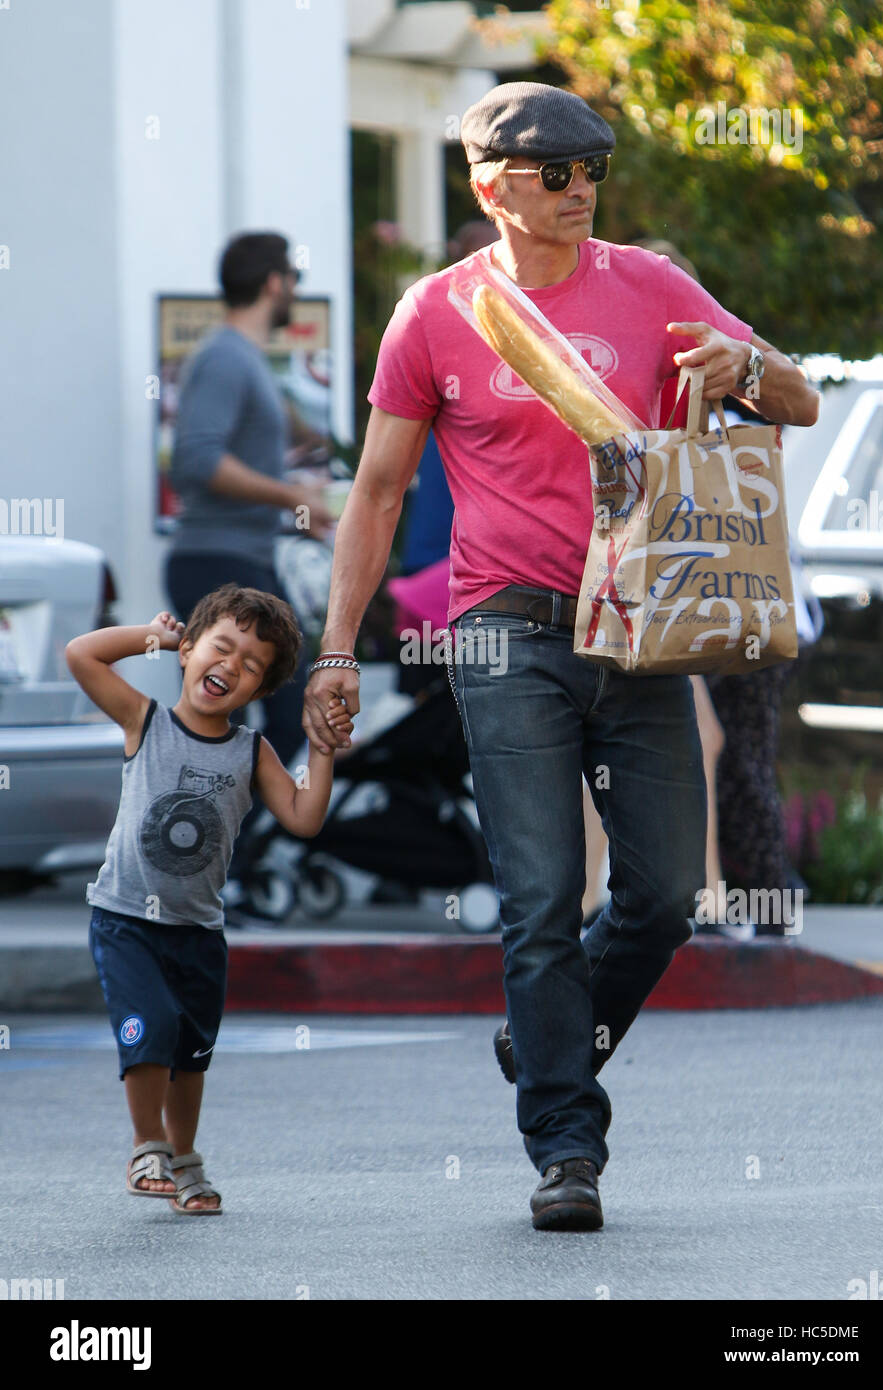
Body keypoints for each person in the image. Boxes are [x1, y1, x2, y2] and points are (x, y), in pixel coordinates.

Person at [303, 81, 819, 1231]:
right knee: (539, 898)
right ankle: (566, 1146)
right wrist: (338, 652)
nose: (580, 188)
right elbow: (377, 494)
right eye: (554, 171)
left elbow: (800, 400)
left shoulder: (650, 282)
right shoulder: (436, 314)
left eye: (591, 169)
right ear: (492, 186)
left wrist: (744, 372)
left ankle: (547, 1031)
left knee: (666, 894)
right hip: (502, 628)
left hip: (638, 626)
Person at [66, 585, 348, 1213]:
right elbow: (81, 655)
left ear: (258, 691)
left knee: (192, 1052)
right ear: (190, 651)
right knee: (154, 1029)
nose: (230, 667)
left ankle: (184, 1159)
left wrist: (324, 754)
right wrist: (154, 637)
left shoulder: (252, 752)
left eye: (251, 666)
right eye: (221, 648)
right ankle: (147, 1145)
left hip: (198, 930)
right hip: (125, 919)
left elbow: (304, 817)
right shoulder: (146, 720)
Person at [165, 232, 335, 892]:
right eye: (290, 275)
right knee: (266, 709)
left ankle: (226, 860)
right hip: (216, 563)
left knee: (254, 715)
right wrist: (290, 495)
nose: (293, 286)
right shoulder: (225, 358)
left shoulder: (244, 360)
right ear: (272, 282)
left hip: (240, 561)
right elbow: (196, 461)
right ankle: (215, 863)